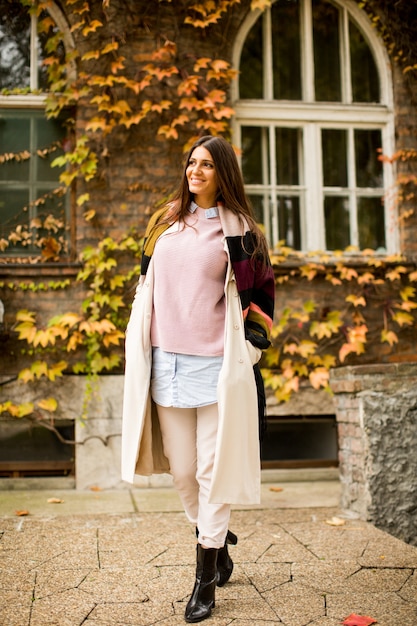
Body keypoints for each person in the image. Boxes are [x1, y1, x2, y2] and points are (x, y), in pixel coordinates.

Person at [121, 135, 275, 623]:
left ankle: (204, 578)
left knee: (212, 471)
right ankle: (217, 541)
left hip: (216, 367)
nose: (196, 171)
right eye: (191, 163)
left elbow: (263, 300)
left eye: (207, 164)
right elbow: (146, 280)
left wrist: (249, 349)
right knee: (184, 471)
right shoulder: (163, 222)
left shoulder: (243, 231)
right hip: (166, 362)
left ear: (223, 172)